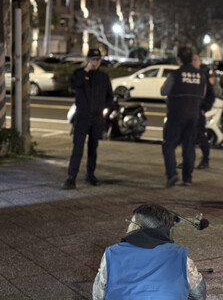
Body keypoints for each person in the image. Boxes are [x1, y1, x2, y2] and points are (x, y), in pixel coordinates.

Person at [92, 203, 206, 300]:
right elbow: (199, 294)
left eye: (130, 222)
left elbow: (98, 295)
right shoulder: (181, 256)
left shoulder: (111, 254)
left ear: (137, 227)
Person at [63, 48, 113, 189]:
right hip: (82, 116)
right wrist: (86, 71)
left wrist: (104, 107)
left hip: (97, 117)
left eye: (98, 60)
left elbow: (110, 95)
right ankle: (71, 177)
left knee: (93, 147)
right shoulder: (79, 74)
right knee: (77, 147)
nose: (95, 63)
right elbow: (73, 85)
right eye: (93, 60)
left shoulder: (104, 77)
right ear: (87, 60)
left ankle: (90, 174)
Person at [161, 47, 207, 187]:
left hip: (176, 114)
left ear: (179, 60)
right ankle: (187, 178)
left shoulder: (175, 74)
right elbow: (203, 95)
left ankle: (172, 174)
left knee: (168, 144)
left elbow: (163, 91)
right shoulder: (201, 76)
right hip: (193, 116)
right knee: (189, 147)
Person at [192, 54, 215, 169]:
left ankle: (205, 159)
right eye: (192, 60)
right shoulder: (189, 74)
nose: (193, 62)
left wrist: (204, 108)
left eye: (196, 60)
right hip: (188, 111)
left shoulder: (204, 76)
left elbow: (211, 95)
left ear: (200, 61)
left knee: (201, 136)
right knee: (188, 137)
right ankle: (188, 160)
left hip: (198, 111)